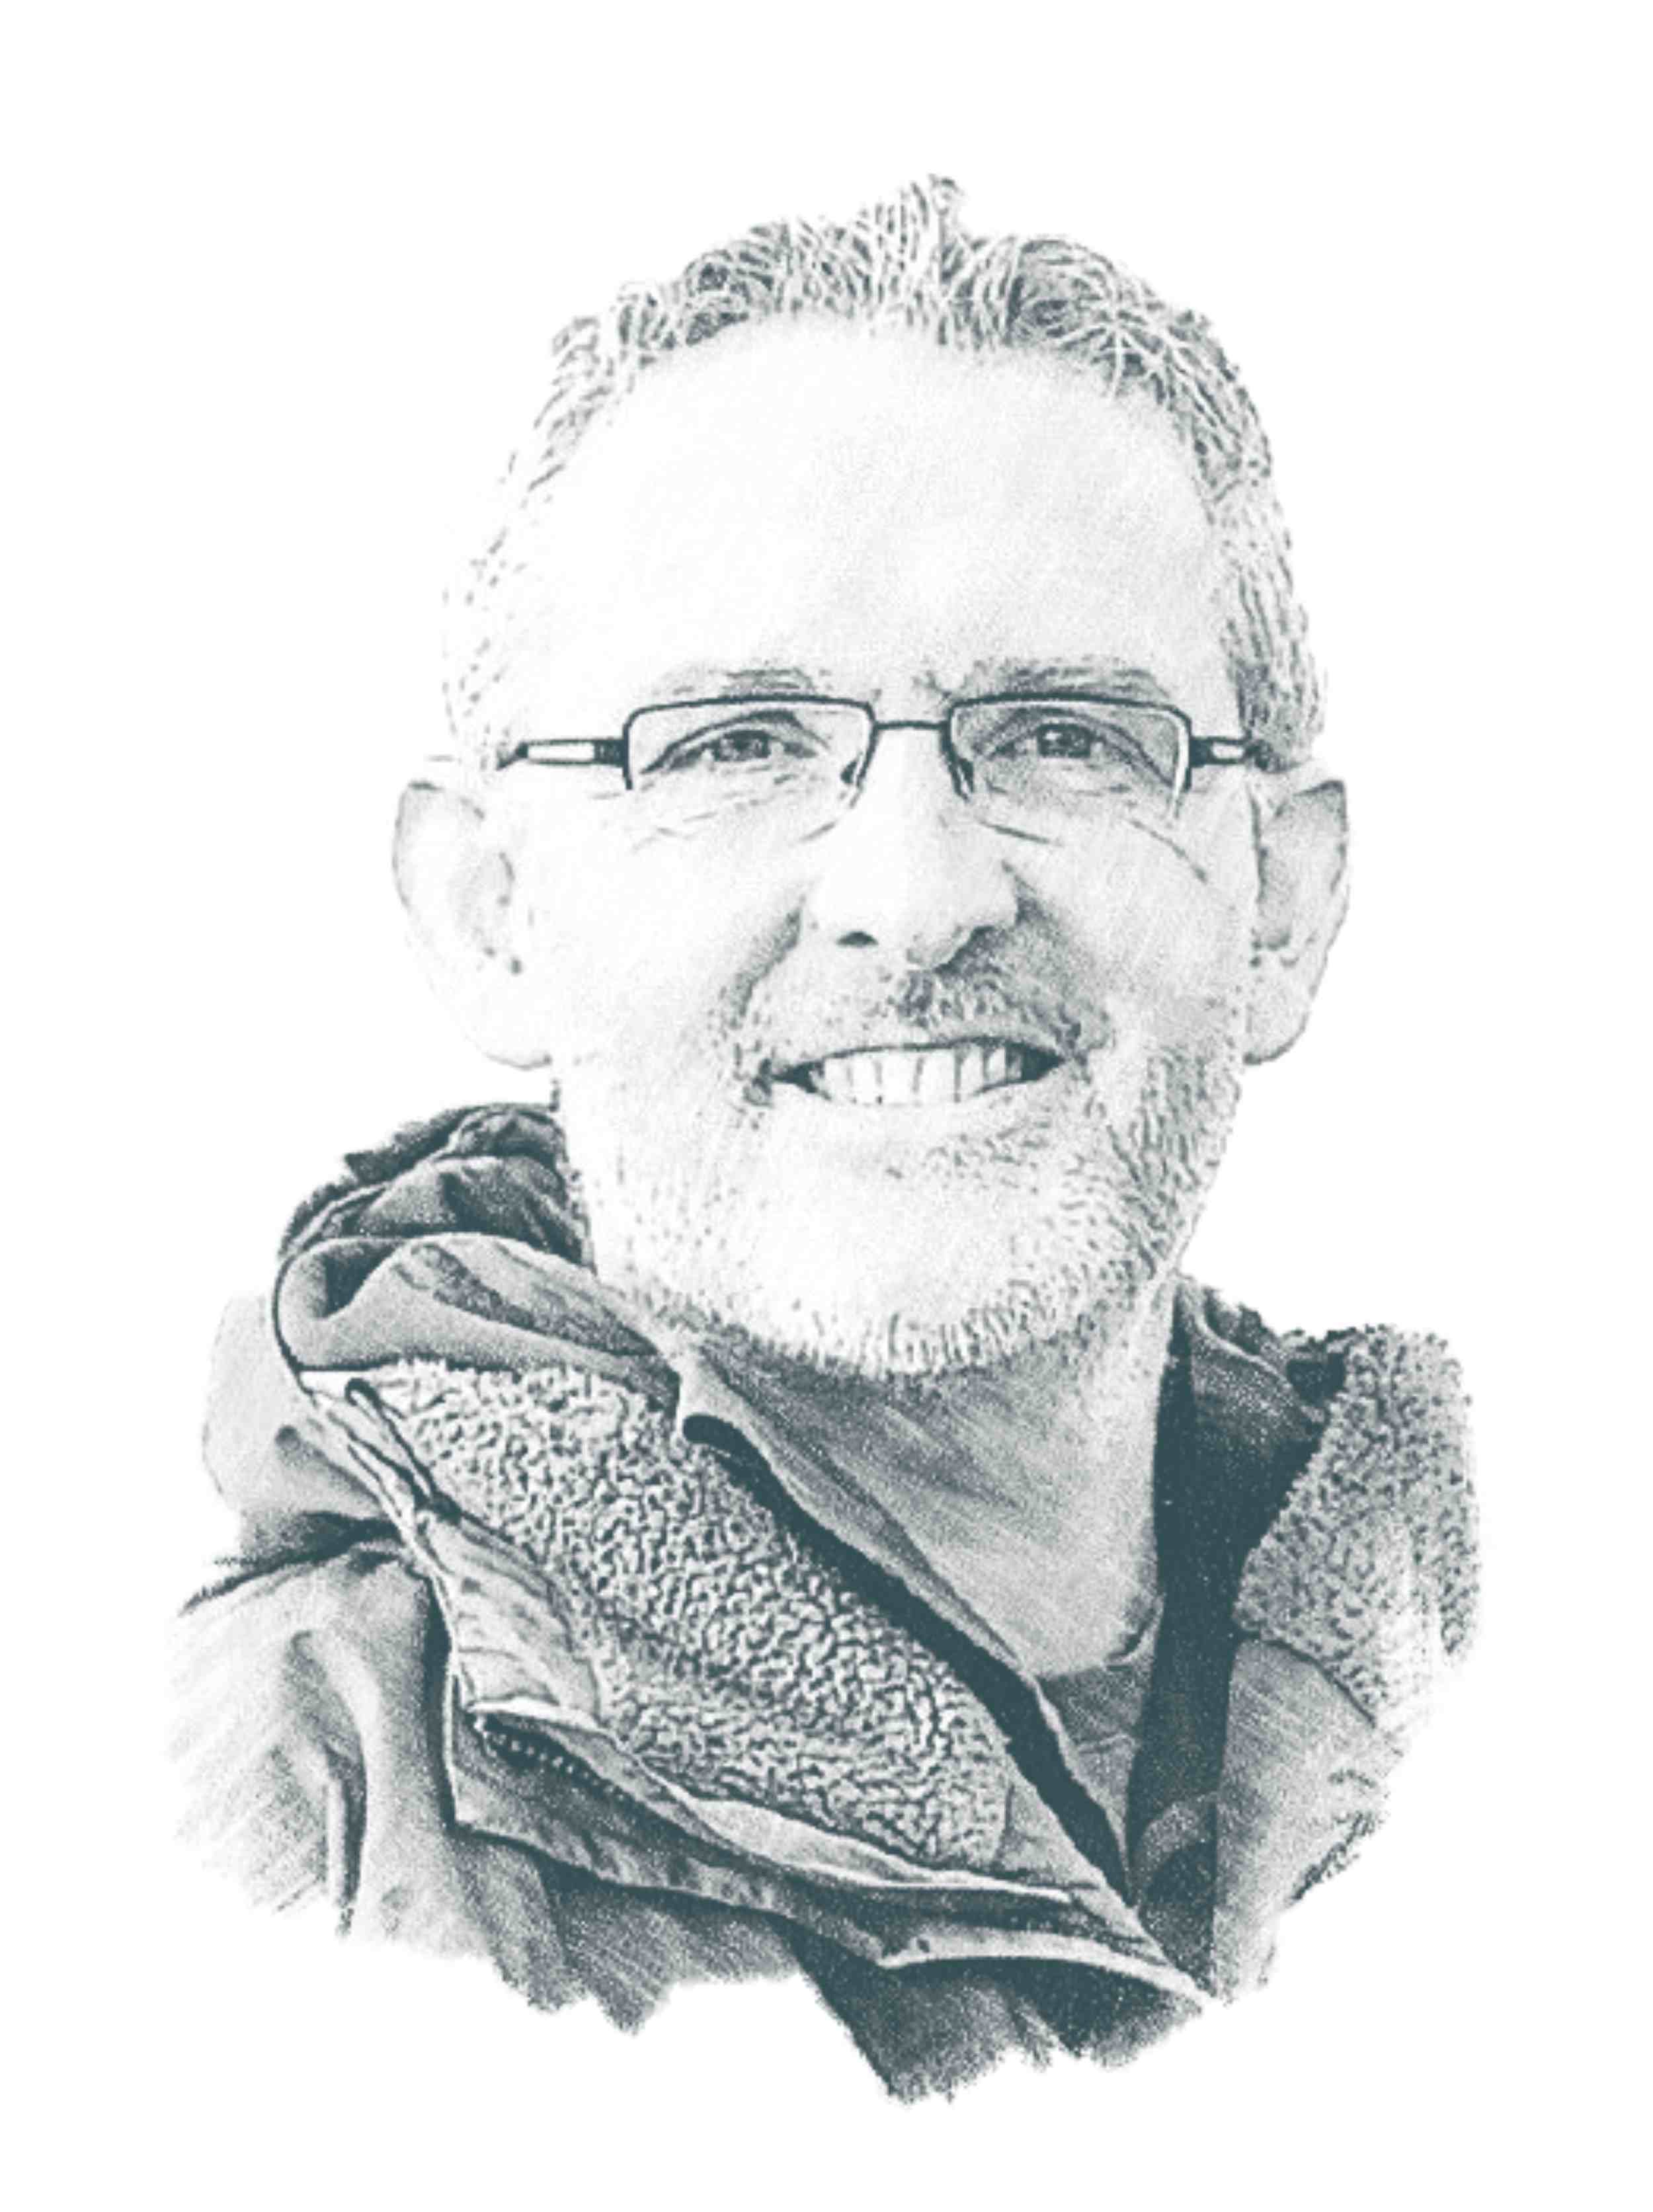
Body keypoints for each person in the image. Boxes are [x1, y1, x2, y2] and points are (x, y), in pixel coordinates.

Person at [176, 178, 1477, 2099]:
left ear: (1282, 902)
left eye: (1064, 735)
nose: (916, 895)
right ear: (490, 912)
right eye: (732, 745)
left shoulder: (1519, 1702)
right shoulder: (265, 1838)